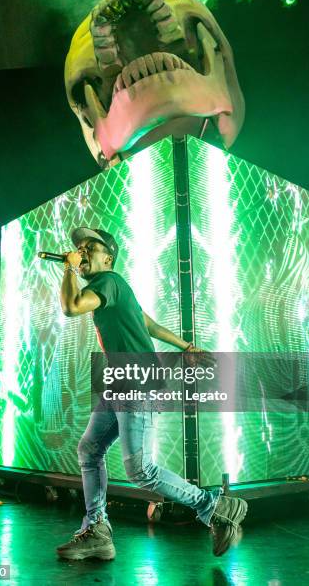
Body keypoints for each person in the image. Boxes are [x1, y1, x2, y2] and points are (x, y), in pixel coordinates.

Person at [56, 227, 247, 561]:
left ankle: (215, 505)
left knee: (140, 470)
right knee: (89, 448)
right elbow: (148, 324)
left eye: (90, 248)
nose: (82, 252)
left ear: (108, 258)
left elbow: (72, 306)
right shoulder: (117, 291)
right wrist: (186, 346)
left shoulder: (108, 281)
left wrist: (69, 268)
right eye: (79, 249)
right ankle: (98, 529)